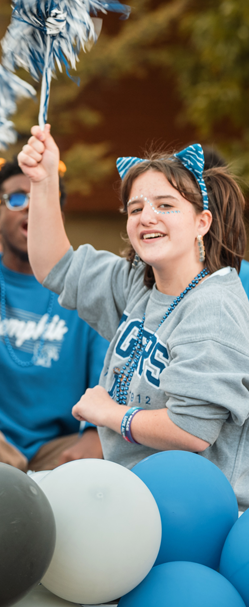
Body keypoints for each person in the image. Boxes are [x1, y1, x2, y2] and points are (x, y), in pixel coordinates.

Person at [20, 127, 249, 505]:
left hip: (197, 511)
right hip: (133, 494)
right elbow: (54, 267)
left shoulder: (215, 305)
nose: (147, 217)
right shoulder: (139, 285)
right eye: (136, 208)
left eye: (166, 205)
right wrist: (43, 181)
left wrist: (110, 413)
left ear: (201, 223)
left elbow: (191, 430)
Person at [0, 155, 108, 471]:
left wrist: (96, 434)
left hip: (52, 446)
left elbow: (107, 378)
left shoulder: (88, 286)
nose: (31, 206)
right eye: (17, 198)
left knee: (105, 460)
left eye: (45, 197)